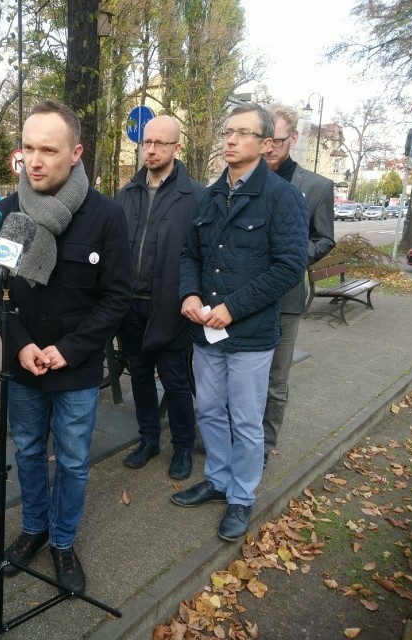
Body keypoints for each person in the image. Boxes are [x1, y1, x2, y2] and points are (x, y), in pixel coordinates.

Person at [0, 99, 131, 593]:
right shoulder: (8, 212)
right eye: (28, 147)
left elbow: (116, 298)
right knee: (27, 450)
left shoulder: (106, 216)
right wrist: (20, 344)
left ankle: (63, 541)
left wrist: (69, 349)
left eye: (49, 148)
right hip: (23, 365)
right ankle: (34, 529)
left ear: (76, 153)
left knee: (70, 459)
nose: (35, 160)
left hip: (75, 367)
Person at [172, 103, 308, 542]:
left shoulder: (282, 197)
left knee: (246, 420)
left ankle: (241, 497)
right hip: (206, 332)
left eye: (243, 133)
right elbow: (191, 253)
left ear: (266, 143)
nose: (230, 140)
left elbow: (289, 266)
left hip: (248, 335)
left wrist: (234, 306)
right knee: (209, 409)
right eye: (228, 131)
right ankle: (218, 478)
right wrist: (189, 294)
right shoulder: (212, 194)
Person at [116, 115, 203, 480]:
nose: (150, 150)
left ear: (176, 148)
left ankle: (182, 445)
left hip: (170, 305)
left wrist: (192, 295)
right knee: (137, 374)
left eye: (160, 143)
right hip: (129, 304)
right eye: (146, 142)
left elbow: (200, 255)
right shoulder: (127, 194)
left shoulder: (196, 196)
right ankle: (149, 438)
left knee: (176, 380)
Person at [261, 104, 335, 467]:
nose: (269, 148)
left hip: (285, 299)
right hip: (241, 298)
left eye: (276, 140)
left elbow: (325, 239)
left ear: (293, 139)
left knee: (275, 377)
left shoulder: (317, 187)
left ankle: (263, 443)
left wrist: (291, 254)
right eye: (265, 140)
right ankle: (231, 435)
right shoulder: (243, 178)